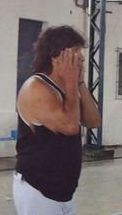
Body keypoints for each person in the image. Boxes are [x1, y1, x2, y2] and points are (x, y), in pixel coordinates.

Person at [14, 26, 101, 214]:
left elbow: (94, 121)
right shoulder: (35, 87)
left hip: (63, 192)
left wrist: (79, 83)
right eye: (76, 51)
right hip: (38, 190)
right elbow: (70, 126)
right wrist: (71, 81)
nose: (82, 57)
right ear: (55, 57)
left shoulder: (66, 89)